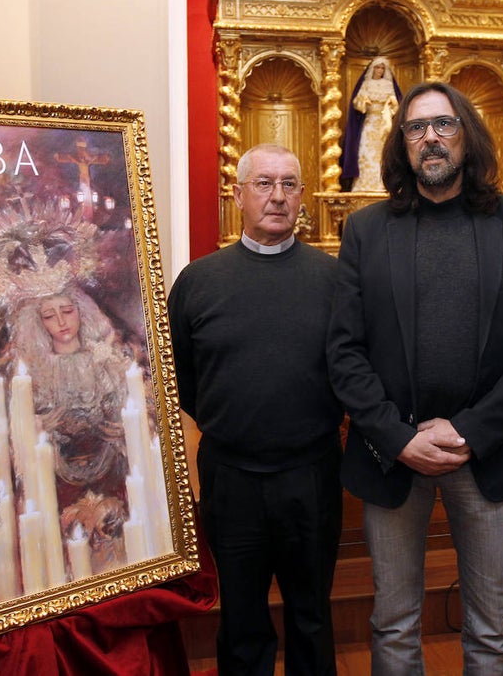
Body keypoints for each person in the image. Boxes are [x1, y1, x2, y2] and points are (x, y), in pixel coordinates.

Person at [327, 81, 503, 674]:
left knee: (493, 626)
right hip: (393, 455)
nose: (430, 138)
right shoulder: (366, 230)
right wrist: (399, 439)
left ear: (467, 134)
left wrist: (469, 431)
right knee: (393, 623)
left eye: (443, 124)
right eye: (415, 128)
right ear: (401, 143)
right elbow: (344, 351)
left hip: (486, 453)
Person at [168, 144, 344, 675]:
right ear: (238, 195)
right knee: (242, 620)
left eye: (289, 184)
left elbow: (352, 371)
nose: (277, 196)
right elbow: (182, 380)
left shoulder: (335, 279)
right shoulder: (198, 281)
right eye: (264, 183)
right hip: (231, 479)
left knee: (312, 616)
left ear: (303, 197)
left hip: (311, 475)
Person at [11, 284, 133, 570]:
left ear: (81, 312)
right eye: (49, 316)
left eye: (67, 311)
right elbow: (18, 428)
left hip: (109, 467)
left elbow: (133, 408)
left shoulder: (106, 360)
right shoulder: (33, 373)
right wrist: (37, 426)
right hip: (58, 475)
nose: (61, 322)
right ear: (39, 324)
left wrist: (124, 427)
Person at [341, 56, 401, 192]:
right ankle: (364, 185)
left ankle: (383, 184)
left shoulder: (388, 85)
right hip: (369, 123)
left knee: (383, 153)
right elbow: (357, 103)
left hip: (383, 124)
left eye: (382, 68)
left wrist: (390, 104)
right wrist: (364, 102)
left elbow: (396, 106)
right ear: (373, 69)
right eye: (377, 67)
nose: (380, 70)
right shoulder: (366, 84)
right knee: (365, 151)